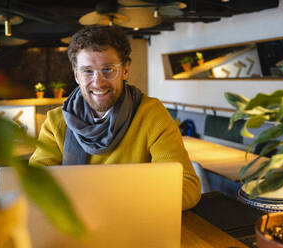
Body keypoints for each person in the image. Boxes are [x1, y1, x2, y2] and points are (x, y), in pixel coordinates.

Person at [29, 25, 201, 210]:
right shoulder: (56, 122)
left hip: (134, 224)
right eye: (88, 71)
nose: (98, 82)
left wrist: (117, 207)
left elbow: (186, 184)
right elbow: (34, 184)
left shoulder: (151, 114)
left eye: (108, 69)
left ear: (125, 70)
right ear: (77, 75)